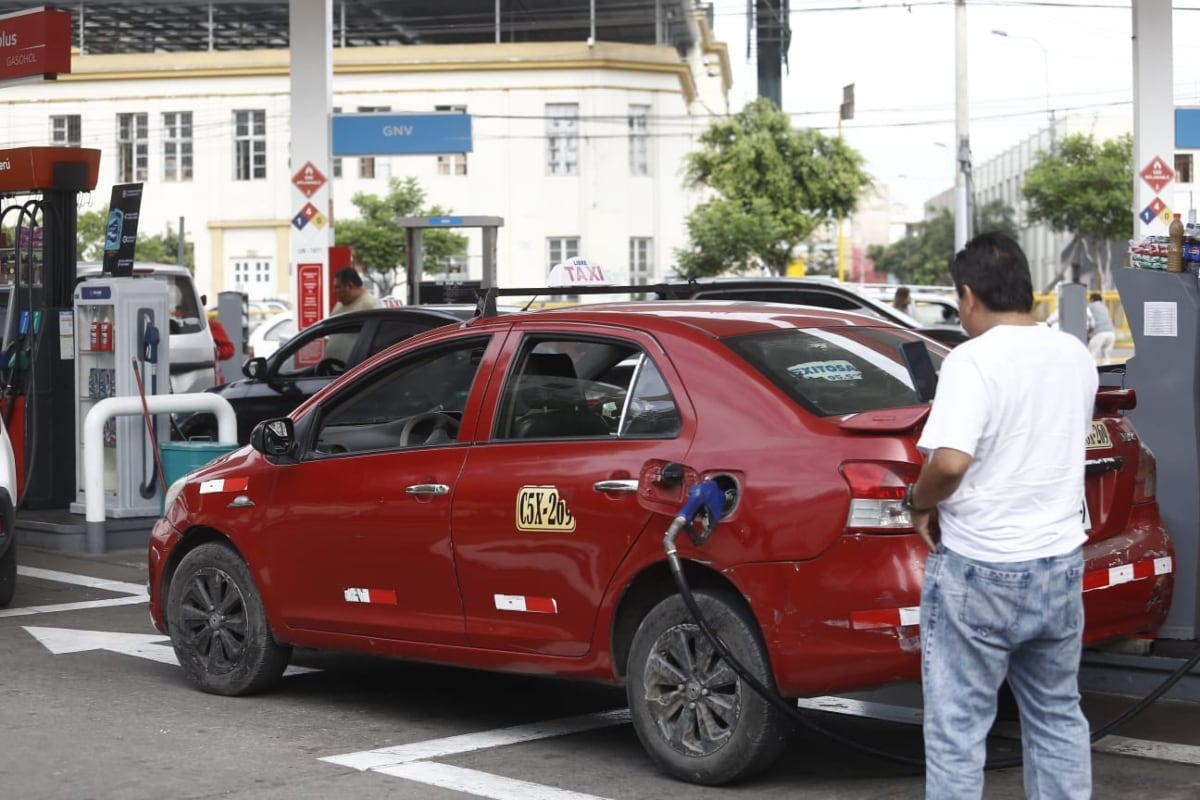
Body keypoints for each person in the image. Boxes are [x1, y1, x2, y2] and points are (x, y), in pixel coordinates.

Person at [904, 232, 1097, 799]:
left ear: (968, 295)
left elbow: (950, 461)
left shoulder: (972, 360)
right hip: (1059, 564)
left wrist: (920, 502)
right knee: (1057, 715)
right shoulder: (1074, 354)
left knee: (958, 729)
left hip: (981, 569)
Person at [1087, 290, 1116, 359]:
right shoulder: (1104, 307)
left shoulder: (1091, 306)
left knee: (1091, 355)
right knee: (1106, 357)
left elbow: (1087, 319)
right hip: (1111, 333)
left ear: (1092, 299)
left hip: (1100, 333)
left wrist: (1087, 331)